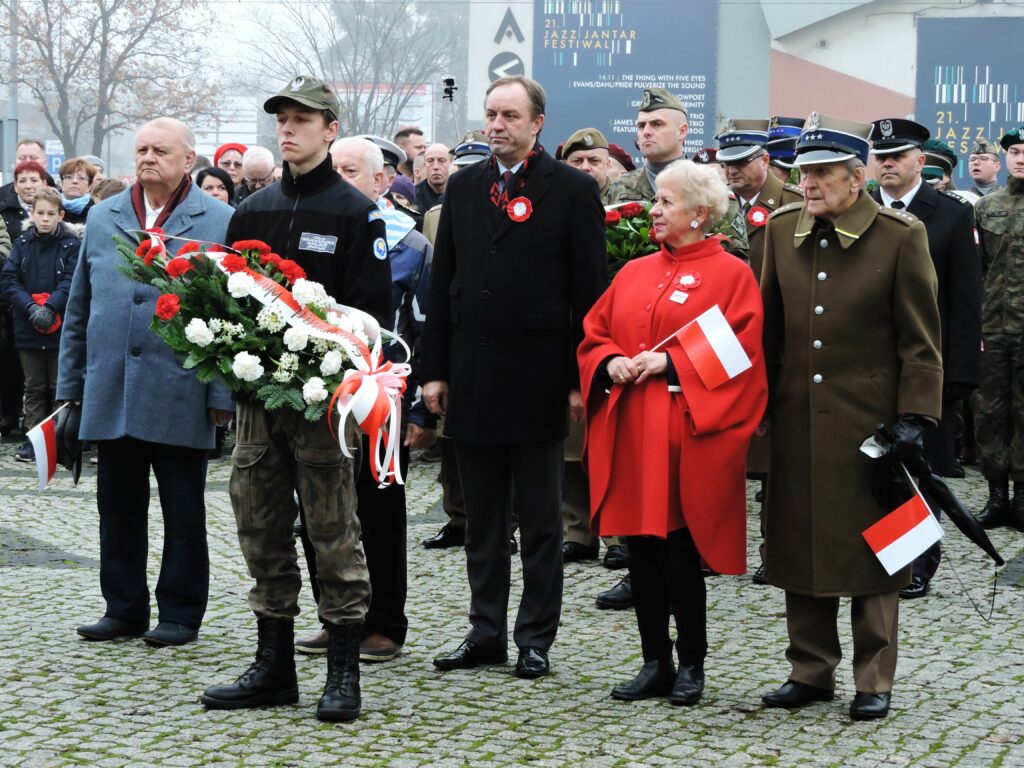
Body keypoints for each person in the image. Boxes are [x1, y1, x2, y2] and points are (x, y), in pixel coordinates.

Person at [200, 75, 391, 723]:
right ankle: (273, 664)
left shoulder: (354, 211)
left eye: (302, 119)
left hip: (322, 402)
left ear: (330, 129)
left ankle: (343, 669)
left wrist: (333, 372)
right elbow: (227, 301)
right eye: (282, 118)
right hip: (260, 400)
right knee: (259, 522)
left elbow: (372, 314)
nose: (288, 127)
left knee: (333, 527)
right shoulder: (252, 210)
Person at [422, 75, 606, 679]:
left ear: (537, 124)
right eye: (490, 114)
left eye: (509, 115)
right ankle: (485, 632)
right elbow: (441, 284)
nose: (496, 124)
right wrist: (435, 370)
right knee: (482, 520)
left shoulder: (573, 190)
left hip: (539, 377)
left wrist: (583, 379)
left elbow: (590, 295)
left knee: (542, 520)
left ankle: (535, 637)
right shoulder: (467, 185)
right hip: (472, 375)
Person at [759, 112, 942, 721]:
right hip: (795, 420)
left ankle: (874, 678)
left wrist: (916, 416)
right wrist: (758, 411)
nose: (807, 184)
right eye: (802, 173)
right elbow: (769, 335)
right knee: (798, 543)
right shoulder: (784, 229)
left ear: (855, 179)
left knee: (877, 552)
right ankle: (810, 671)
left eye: (821, 174)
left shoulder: (898, 235)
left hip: (872, 428)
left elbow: (921, 341)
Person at [579, 160, 766, 705]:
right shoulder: (634, 271)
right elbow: (595, 333)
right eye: (656, 201)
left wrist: (672, 363)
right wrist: (610, 360)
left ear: (699, 213)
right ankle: (653, 660)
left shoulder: (731, 273)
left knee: (679, 553)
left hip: (686, 433)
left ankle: (692, 664)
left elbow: (743, 353)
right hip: (633, 429)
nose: (653, 211)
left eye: (665, 202)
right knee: (640, 551)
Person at [56, 117, 235, 648]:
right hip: (111, 387)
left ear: (188, 159)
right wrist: (71, 386)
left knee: (183, 509)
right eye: (140, 150)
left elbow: (232, 315)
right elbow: (79, 306)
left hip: (182, 388)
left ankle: (180, 613)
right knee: (116, 505)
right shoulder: (105, 214)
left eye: (160, 150)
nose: (148, 158)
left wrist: (221, 395)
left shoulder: (220, 219)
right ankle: (123, 607)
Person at [292, 136, 431, 663]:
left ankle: (384, 623)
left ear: (381, 182)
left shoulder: (411, 243)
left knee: (377, 507)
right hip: (319, 390)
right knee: (319, 505)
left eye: (352, 170)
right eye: (335, 169)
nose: (340, 178)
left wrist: (416, 405)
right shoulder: (314, 226)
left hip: (380, 390)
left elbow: (420, 326)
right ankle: (335, 614)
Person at [869, 118, 982, 599]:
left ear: (921, 161)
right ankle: (877, 558)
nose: (888, 164)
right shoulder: (862, 208)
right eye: (882, 156)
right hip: (870, 365)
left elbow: (964, 299)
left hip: (928, 364)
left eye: (898, 156)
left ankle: (916, 563)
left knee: (921, 468)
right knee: (875, 465)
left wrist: (959, 373)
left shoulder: (950, 214)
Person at [559, 126, 626, 569]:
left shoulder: (634, 210)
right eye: (577, 162)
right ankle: (576, 530)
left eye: (594, 161)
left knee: (616, 441)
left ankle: (619, 535)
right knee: (570, 442)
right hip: (566, 331)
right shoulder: (554, 205)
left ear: (610, 166)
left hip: (619, 340)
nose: (586, 169)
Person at [1, 187, 80, 462]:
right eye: (40, 213)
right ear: (32, 214)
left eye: (50, 214)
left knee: (60, 385)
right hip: (27, 324)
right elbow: (9, 279)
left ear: (61, 215)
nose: (45, 219)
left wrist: (51, 306)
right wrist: (31, 307)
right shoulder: (22, 244)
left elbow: (72, 280)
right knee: (33, 387)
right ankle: (34, 439)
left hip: (61, 326)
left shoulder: (71, 245)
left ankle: (61, 439)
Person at [972, 125, 1024, 532]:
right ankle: (995, 496)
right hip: (992, 328)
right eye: (1014, 151)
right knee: (989, 411)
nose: (1020, 158)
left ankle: (1022, 497)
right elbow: (977, 271)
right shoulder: (986, 208)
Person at [562, 127, 615, 205]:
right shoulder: (554, 200)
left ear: (608, 164)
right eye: (577, 161)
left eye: (594, 161)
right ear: (565, 165)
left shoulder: (624, 201)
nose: (585, 167)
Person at [57, 158, 97, 226]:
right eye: (69, 177)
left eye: (81, 178)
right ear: (62, 183)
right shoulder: (52, 207)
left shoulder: (96, 212)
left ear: (89, 186)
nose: (75, 181)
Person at [414, 143, 451, 212]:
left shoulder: (459, 194)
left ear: (451, 164)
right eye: (430, 161)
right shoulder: (414, 197)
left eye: (441, 161)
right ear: (425, 165)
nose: (435, 167)